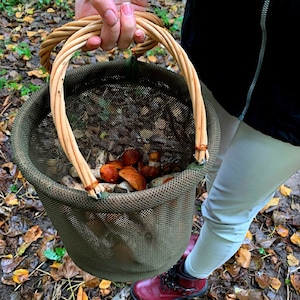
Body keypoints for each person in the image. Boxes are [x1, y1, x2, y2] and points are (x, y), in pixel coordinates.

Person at [75, 1, 300, 299]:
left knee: (228, 210)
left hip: (293, 101)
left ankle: (190, 278)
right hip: (220, 52)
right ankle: (206, 238)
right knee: (209, 160)